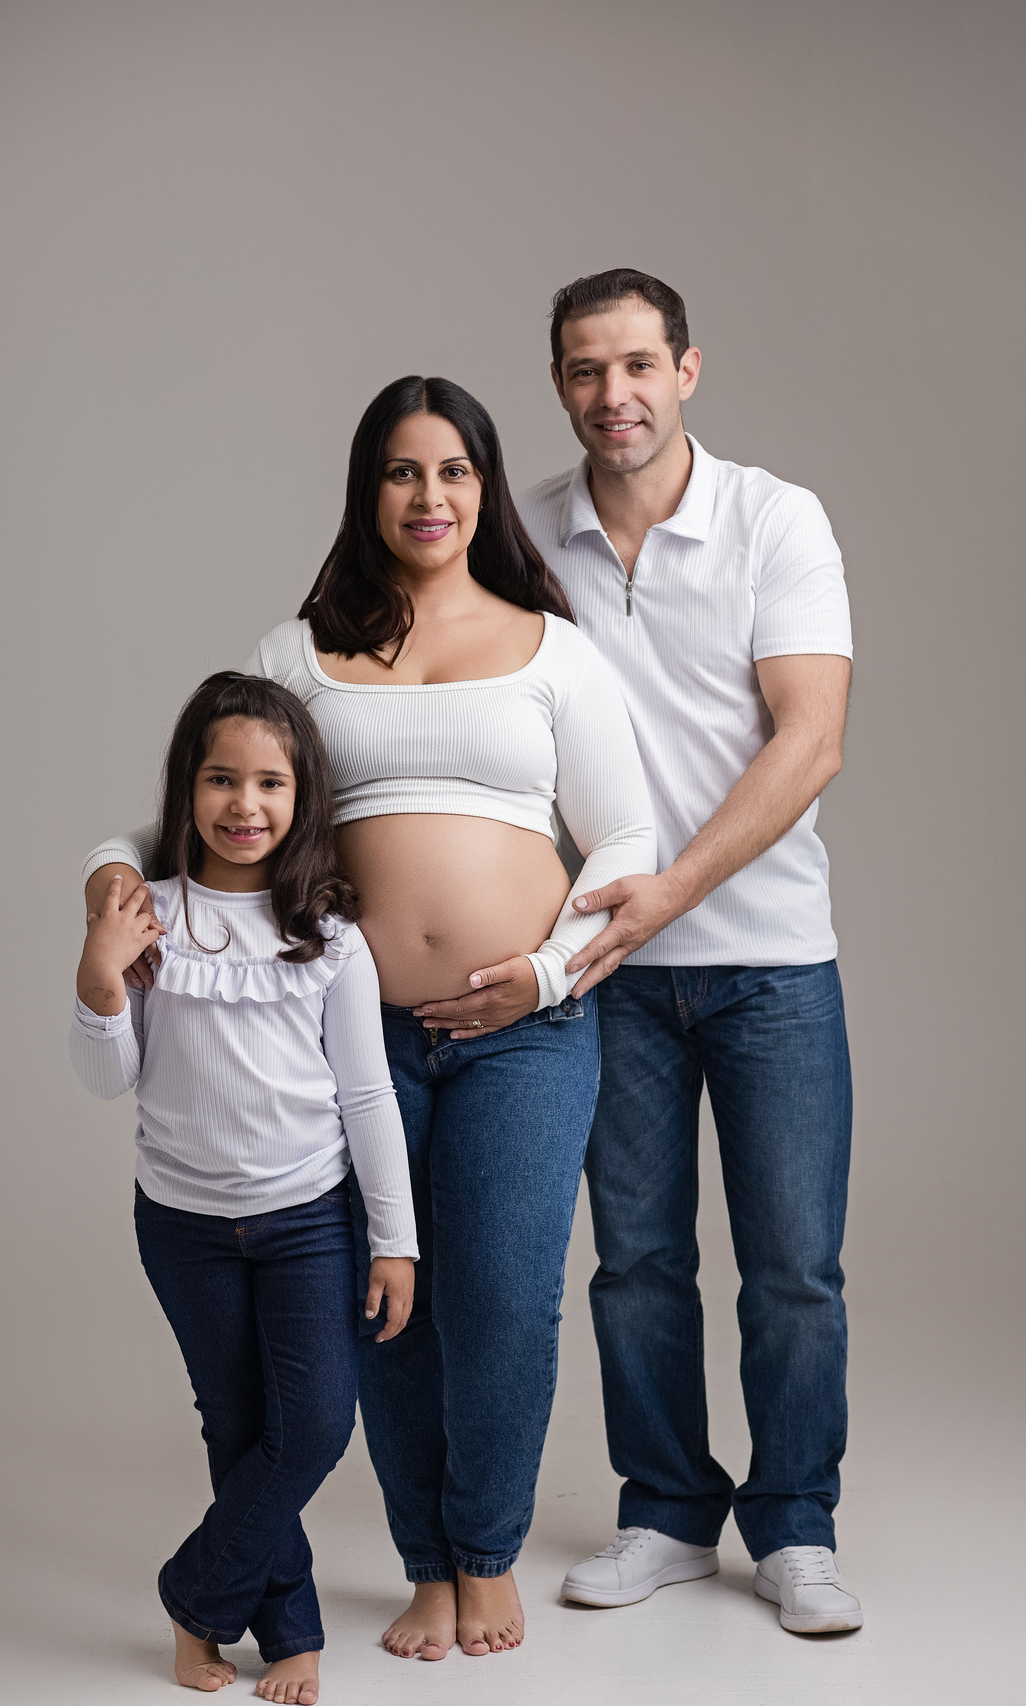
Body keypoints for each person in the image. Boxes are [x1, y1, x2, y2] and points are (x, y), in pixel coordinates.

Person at [82, 375, 656, 1660]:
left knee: (501, 1297)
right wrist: (109, 872)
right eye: (403, 471)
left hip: (524, 1029)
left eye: (454, 471)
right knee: (387, 1302)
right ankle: (425, 1563)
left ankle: (486, 1548)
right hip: (351, 1037)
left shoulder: (553, 650)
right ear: (368, 489)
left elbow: (625, 838)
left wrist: (547, 972)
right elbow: (209, 798)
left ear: (485, 488)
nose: (429, 495)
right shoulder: (299, 654)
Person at [437, 266, 860, 1632]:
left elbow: (811, 740)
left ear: (686, 370)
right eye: (583, 370)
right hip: (604, 972)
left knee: (793, 1270)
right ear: (558, 384)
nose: (610, 394)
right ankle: (669, 1510)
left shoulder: (775, 519)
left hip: (772, 960)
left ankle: (795, 1525)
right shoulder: (524, 535)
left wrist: (668, 892)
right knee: (636, 1266)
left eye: (635, 365)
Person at [70, 672, 418, 1705]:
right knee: (235, 1423)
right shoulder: (151, 918)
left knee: (309, 1427)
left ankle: (195, 1595)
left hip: (307, 1219)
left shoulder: (330, 935)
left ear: (303, 799)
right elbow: (109, 1077)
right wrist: (98, 977)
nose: (245, 804)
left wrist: (394, 1240)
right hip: (183, 1225)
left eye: (271, 783)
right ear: (187, 789)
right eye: (222, 779)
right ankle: (289, 1628)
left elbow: (366, 1094)